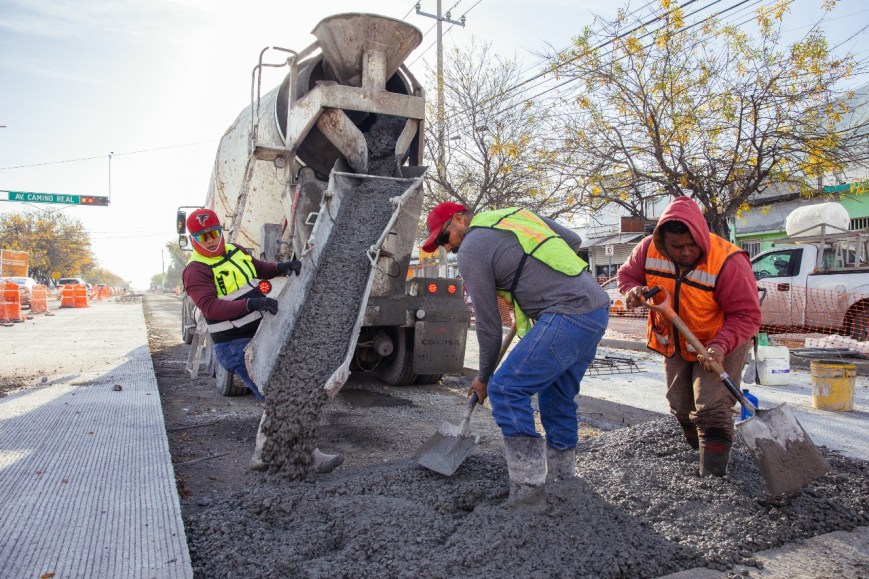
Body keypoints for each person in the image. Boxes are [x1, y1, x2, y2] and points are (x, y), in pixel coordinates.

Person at [422, 202, 610, 505]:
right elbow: (573, 241)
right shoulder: (513, 215)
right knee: (556, 398)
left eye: (444, 239)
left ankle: (527, 492)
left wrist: (483, 378)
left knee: (506, 388)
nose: (449, 249)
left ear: (459, 219)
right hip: (595, 309)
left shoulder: (472, 246)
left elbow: (488, 324)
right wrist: (535, 275)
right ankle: (564, 483)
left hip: (567, 312)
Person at [182, 208, 343, 474]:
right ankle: (306, 458)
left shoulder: (234, 251)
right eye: (202, 237)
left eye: (213, 233)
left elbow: (256, 268)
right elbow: (210, 307)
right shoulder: (196, 271)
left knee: (275, 397)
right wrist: (252, 304)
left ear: (220, 231)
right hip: (235, 346)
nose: (210, 240)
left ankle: (263, 454)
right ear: (193, 240)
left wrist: (281, 268)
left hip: (257, 337)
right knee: (281, 398)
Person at [617, 197, 761, 477]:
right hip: (674, 339)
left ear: (701, 235)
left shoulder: (728, 261)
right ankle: (704, 447)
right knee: (680, 406)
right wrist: (631, 291)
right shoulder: (647, 249)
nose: (685, 252)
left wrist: (720, 345)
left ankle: (713, 475)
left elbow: (746, 315)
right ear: (662, 241)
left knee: (711, 407)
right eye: (676, 247)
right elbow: (627, 276)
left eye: (691, 245)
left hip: (722, 340)